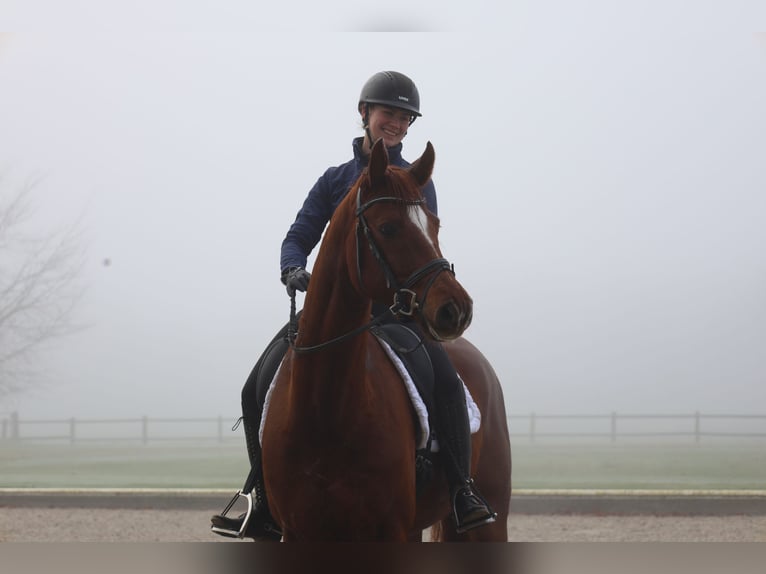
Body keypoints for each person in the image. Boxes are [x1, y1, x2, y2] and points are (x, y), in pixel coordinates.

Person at [210, 71, 496, 539]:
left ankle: (462, 490)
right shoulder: (335, 179)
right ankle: (260, 496)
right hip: (331, 310)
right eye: (390, 114)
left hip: (394, 312)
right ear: (365, 113)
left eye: (406, 119)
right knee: (254, 384)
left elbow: (423, 243)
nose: (398, 124)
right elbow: (299, 235)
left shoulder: (415, 180)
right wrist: (291, 268)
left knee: (445, 380)